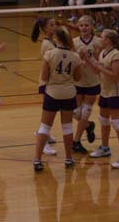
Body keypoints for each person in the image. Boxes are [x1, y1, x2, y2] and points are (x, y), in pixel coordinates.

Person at [33, 27, 82, 171]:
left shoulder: (49, 54)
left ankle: (37, 160)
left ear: (56, 38)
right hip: (68, 94)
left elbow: (44, 77)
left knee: (44, 127)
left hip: (52, 93)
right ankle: (68, 159)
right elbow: (78, 78)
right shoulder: (75, 56)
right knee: (67, 127)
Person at [83, 29, 119, 169]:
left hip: (115, 92)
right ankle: (105, 147)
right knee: (103, 120)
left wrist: (99, 66)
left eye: (102, 37)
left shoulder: (116, 55)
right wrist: (89, 59)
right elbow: (97, 71)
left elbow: (115, 75)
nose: (99, 39)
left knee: (116, 122)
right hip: (104, 90)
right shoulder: (102, 53)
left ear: (108, 40)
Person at [72, 15, 100, 154]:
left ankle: (76, 141)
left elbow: (100, 65)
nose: (84, 28)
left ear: (92, 26)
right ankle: (89, 126)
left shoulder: (98, 42)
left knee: (84, 114)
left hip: (93, 82)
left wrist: (94, 55)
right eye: (81, 25)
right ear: (78, 26)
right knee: (75, 113)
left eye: (87, 25)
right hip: (78, 82)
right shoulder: (74, 42)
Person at [31, 17, 58, 155]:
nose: (55, 27)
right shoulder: (47, 44)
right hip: (48, 82)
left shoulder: (53, 41)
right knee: (48, 112)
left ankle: (44, 134)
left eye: (55, 24)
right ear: (45, 28)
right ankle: (43, 141)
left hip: (54, 82)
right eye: (52, 25)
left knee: (51, 112)